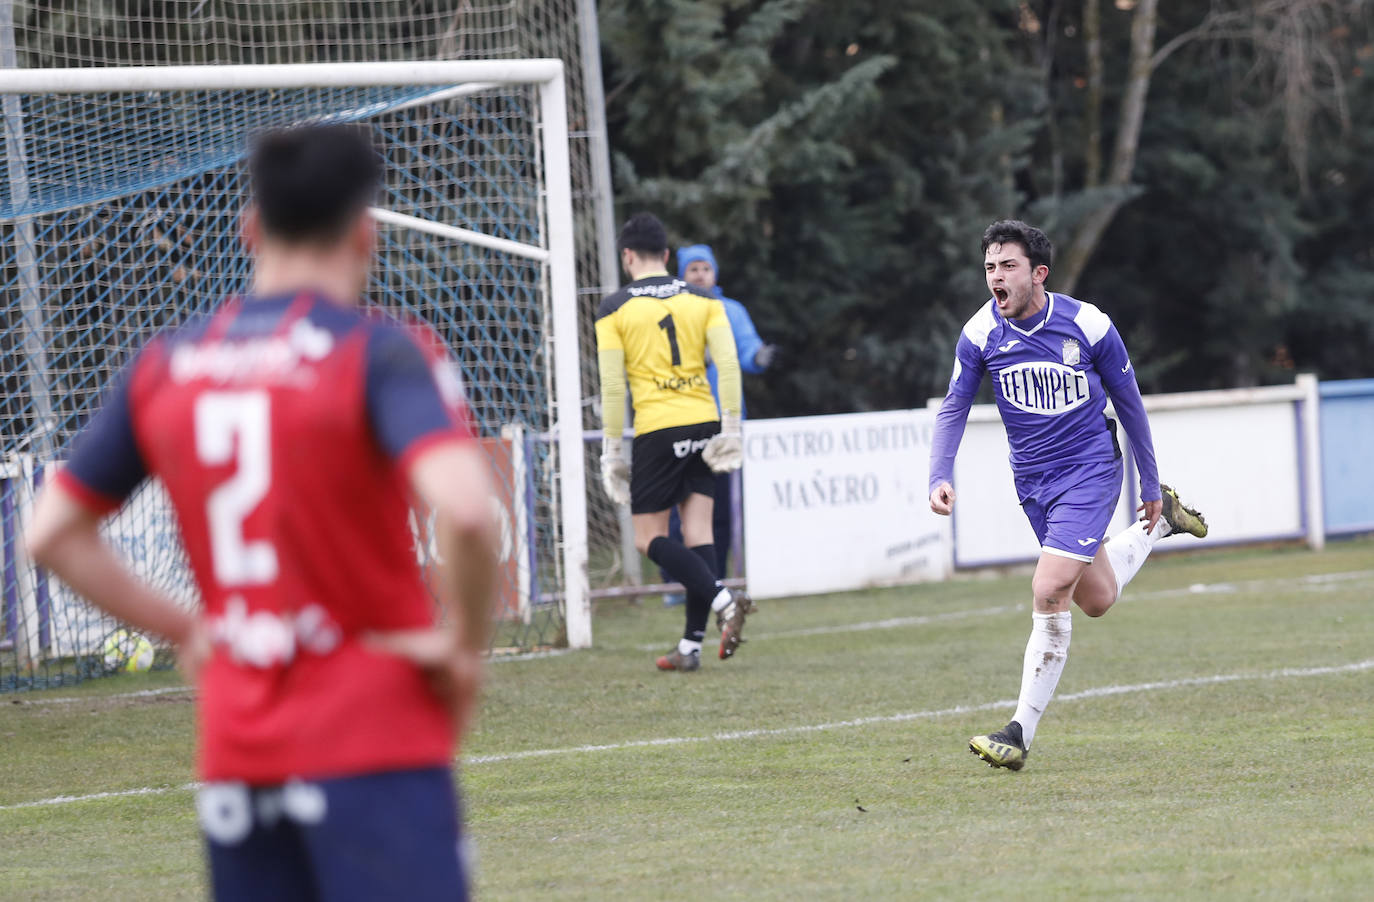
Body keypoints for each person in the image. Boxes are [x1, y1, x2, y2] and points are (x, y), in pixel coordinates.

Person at [25, 123, 498, 899]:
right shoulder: (380, 352)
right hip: (374, 732)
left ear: (249, 228)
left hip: (239, 747)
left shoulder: (167, 364)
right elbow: (470, 512)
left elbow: (50, 534)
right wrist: (464, 646)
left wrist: (188, 629)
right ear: (365, 234)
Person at [928, 219, 1208, 772]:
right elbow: (954, 405)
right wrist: (939, 474)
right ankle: (1164, 524)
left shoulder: (1088, 325)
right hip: (1033, 483)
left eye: (1008, 266)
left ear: (1039, 273)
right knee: (1096, 598)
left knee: (1048, 588)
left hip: (1091, 470)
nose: (996, 277)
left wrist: (1148, 480)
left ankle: (1018, 733)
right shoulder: (980, 334)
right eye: (989, 267)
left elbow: (1130, 404)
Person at [596, 213, 754, 672]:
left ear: (627, 256)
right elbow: (728, 365)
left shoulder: (614, 308)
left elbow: (613, 387)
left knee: (649, 538)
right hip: (704, 422)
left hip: (658, 428)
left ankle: (723, 600)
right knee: (699, 532)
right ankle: (690, 646)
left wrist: (611, 450)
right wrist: (731, 428)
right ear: (666, 255)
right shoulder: (703, 299)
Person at [660, 243, 775, 604]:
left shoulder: (731, 311)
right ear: (682, 273)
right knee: (679, 504)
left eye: (705, 269)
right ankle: (676, 584)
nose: (700, 275)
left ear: (714, 273)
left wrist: (758, 356)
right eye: (693, 269)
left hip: (724, 424)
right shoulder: (669, 310)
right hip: (681, 419)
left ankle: (716, 578)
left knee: (721, 507)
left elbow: (747, 348)